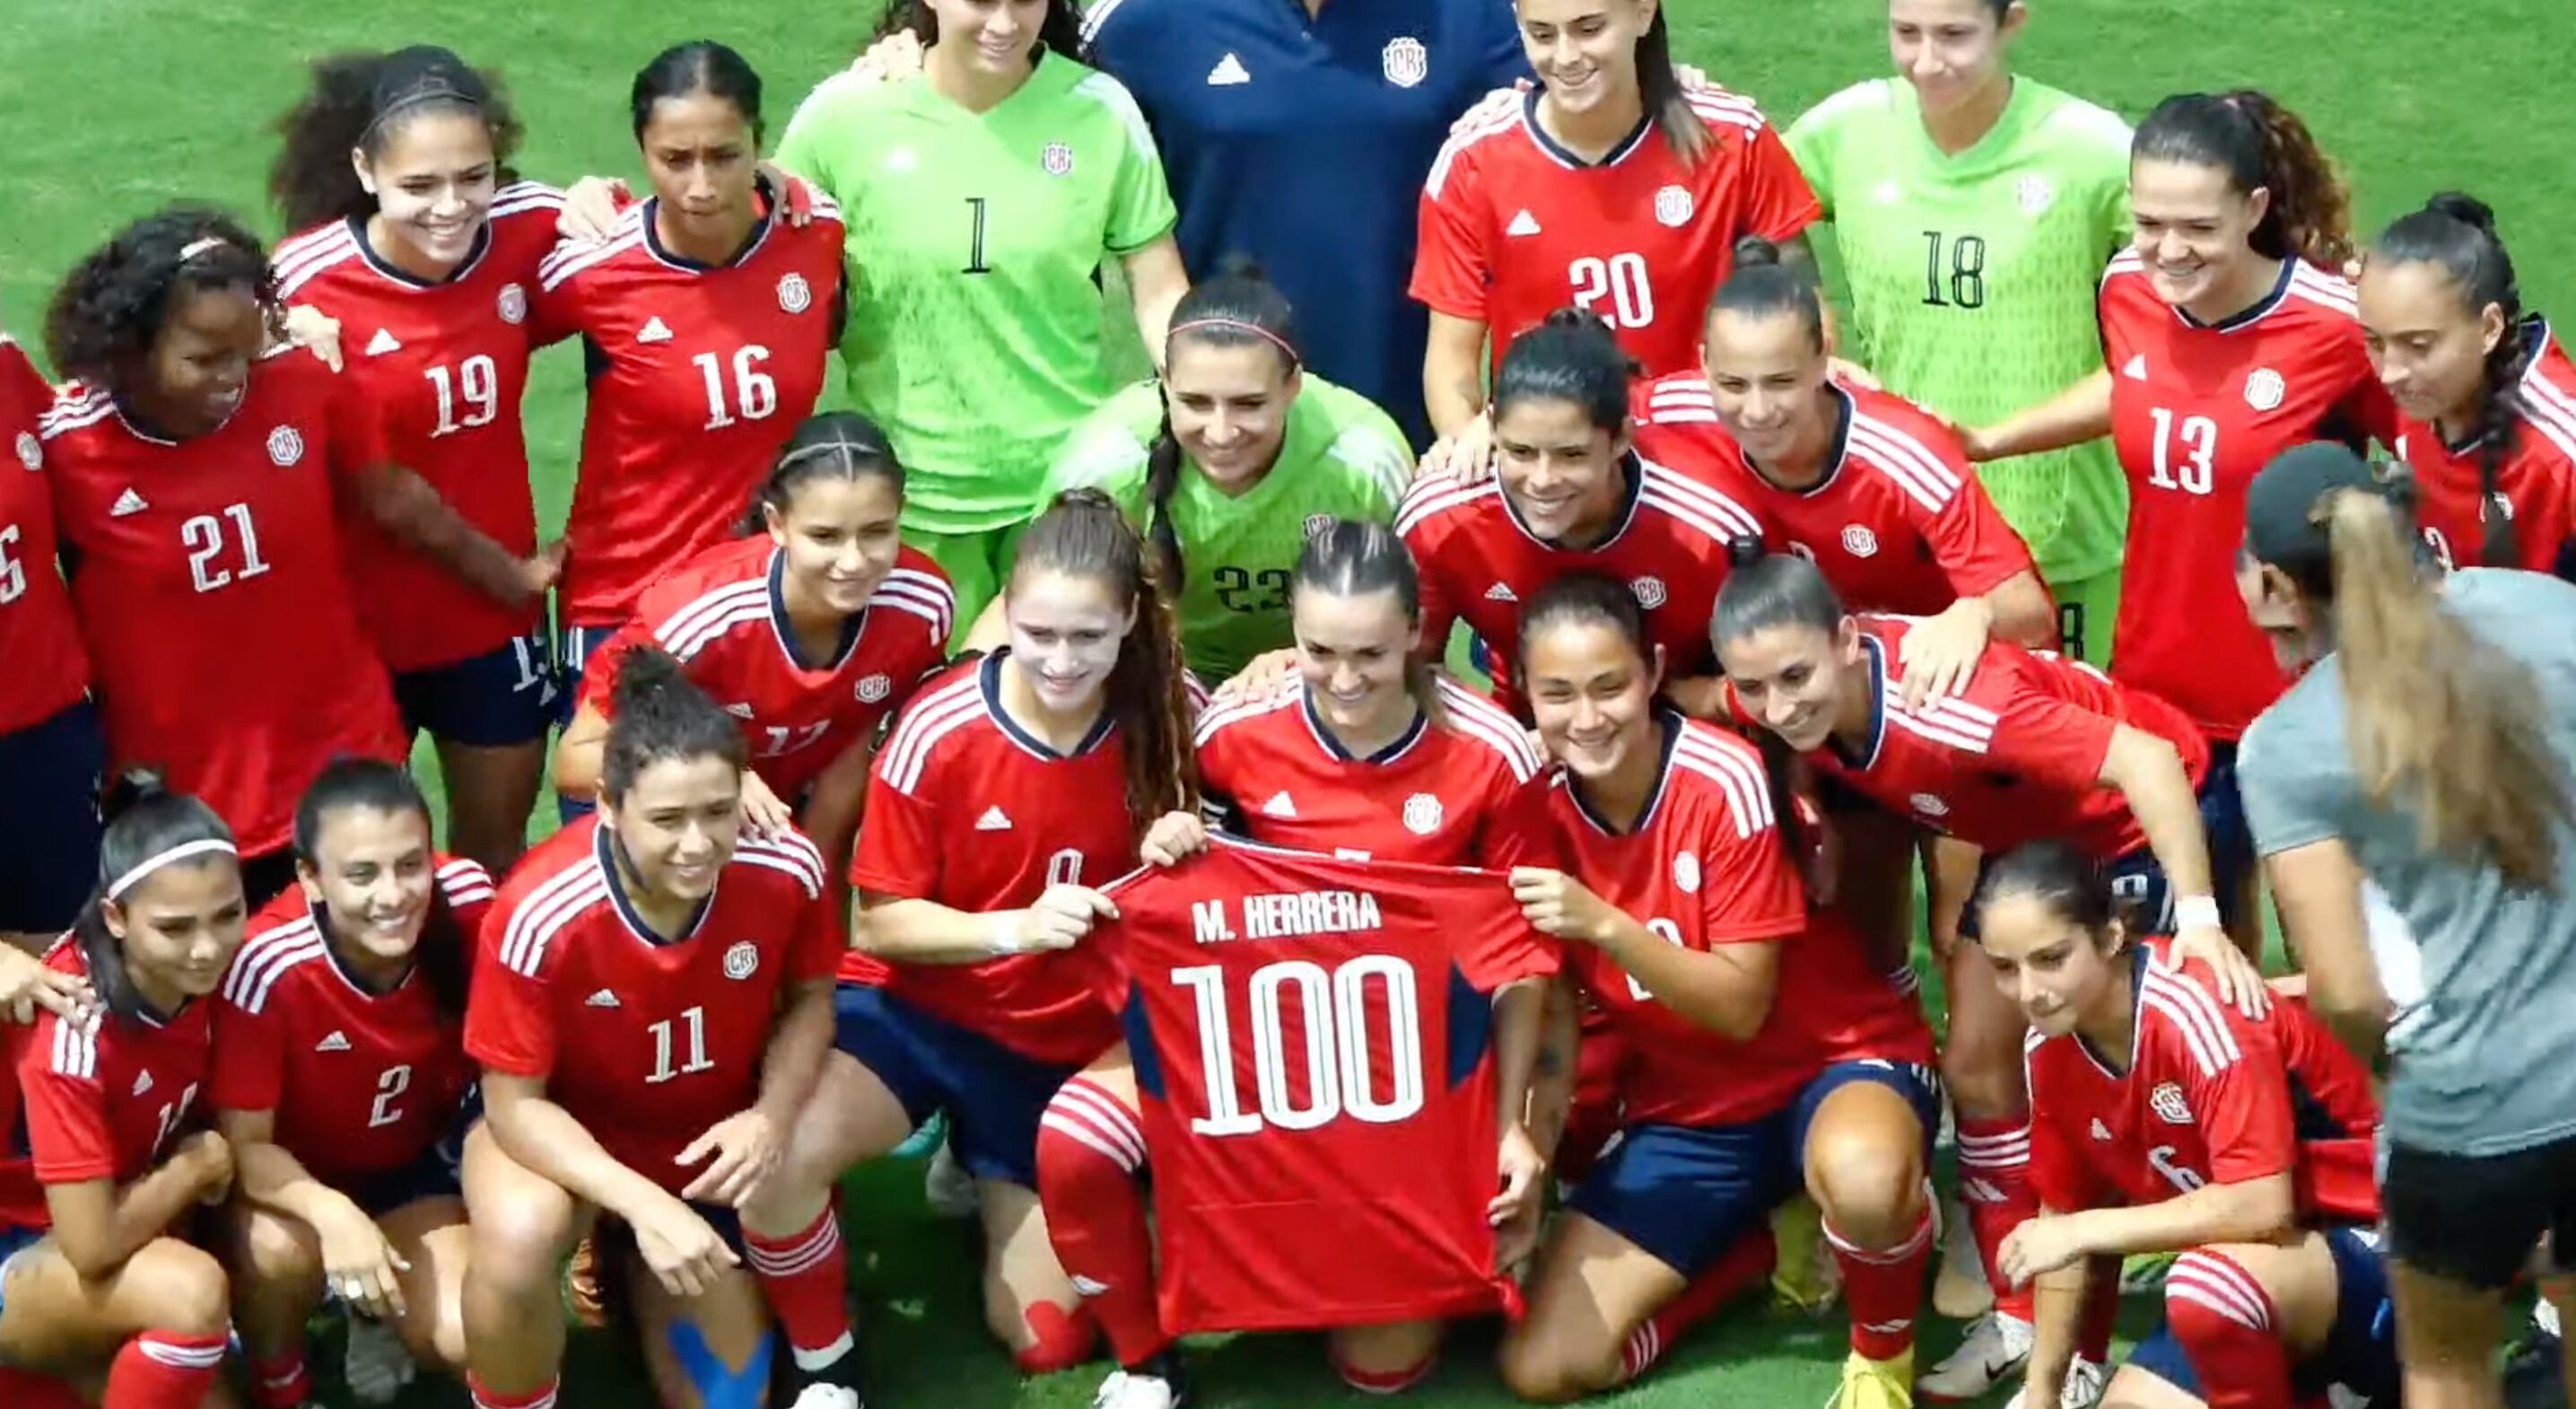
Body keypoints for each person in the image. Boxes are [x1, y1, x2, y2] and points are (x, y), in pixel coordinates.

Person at [1713, 548, 2267, 1402]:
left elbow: (2148, 760)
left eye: (1794, 678)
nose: (1778, 706)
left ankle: (2196, 1297)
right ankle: (2017, 1302)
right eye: (1754, 689)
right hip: (2033, 830)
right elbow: (1731, 708)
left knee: (2122, 1072)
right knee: (1976, 1059)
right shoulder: (1790, 698)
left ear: (1846, 640)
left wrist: (2197, 919)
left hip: (2136, 820)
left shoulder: (1953, 710)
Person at [1032, 520, 1553, 1407]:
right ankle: (1146, 1363)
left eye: (1370, 655)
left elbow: (1522, 961)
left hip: (1417, 1075)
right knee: (1075, 1140)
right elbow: (1185, 892)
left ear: (1417, 634)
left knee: (1378, 1368)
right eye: (1318, 650)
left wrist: (1516, 1126)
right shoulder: (1233, 729)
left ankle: (1390, 1222)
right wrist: (1177, 840)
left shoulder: (1491, 754)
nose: (1344, 680)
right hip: (1250, 1047)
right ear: (1292, 636)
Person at [727, 487, 1201, 1390]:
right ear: (1006, 615)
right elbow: (879, 921)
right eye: (1037, 633)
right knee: (778, 1169)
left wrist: (1188, 836)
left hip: (1054, 1046)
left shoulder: (1169, 712)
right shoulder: (941, 728)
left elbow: (1247, 807)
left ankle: (987, 1166)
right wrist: (1012, 929)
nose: (1061, 661)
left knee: (1048, 1340)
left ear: (1130, 621)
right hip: (918, 1013)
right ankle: (828, 1368)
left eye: (1088, 638)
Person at [1496, 572, 1940, 1408]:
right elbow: (1551, 1017)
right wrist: (1530, 1150)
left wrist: (1604, 924)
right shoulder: (1530, 808)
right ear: (1525, 693)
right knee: (1543, 1368)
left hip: (1836, 1062)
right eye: (1556, 694)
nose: (1585, 718)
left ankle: (1881, 1360)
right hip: (1690, 1111)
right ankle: (1762, 1248)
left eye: (1608, 687)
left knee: (1865, 1181)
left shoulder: (1723, 774)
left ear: (1653, 673)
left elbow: (1742, 1006)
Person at [1967, 92, 2388, 949]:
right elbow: (2143, 386)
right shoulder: (2128, 289)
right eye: (2148, 220)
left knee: (2335, 964)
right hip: (2160, 697)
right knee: (2201, 950)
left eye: (2196, 226)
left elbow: (2425, 445)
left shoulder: (2338, 324)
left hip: (2301, 698)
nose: (2166, 249)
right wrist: (1992, 438)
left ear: (2256, 209)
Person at [39, 207, 550, 904]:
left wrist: (510, 575)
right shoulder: (67, 449)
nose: (233, 378)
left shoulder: (305, 387)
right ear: (129, 349)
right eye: (203, 359)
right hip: (183, 797)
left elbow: (391, 497)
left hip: (342, 755)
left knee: (386, 973)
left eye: (246, 351)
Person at [2233, 442, 2576, 1409]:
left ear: (2273, 584)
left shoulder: (2291, 742)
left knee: (2445, 1367)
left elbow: (2344, 989)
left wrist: (2396, 1072)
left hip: (2462, 1116)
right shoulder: (2544, 608)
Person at [458, 646, 843, 1409]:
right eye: (667, 819)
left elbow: (811, 1000)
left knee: (731, 1400)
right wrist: (641, 1202)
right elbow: (513, 1104)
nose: (698, 844)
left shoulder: (787, 867)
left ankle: (629, 1264)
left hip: (708, 1148)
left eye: (717, 811)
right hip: (571, 1147)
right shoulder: (540, 911)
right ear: (606, 804)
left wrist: (768, 1120)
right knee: (520, 1234)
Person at [773, 0, 1190, 629]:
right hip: (907, 505)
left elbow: (1158, 290)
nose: (1003, 24)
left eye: (1023, 0)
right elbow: (764, 270)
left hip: (1066, 490)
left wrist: (1199, 401)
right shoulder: (843, 115)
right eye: (982, 1)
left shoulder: (1102, 112)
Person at [266, 46, 567, 873]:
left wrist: (780, 186)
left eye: (474, 176)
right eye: (420, 186)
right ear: (365, 169)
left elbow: (654, 233)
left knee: (493, 859)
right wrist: (506, 574)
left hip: (488, 627)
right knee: (369, 872)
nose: (452, 206)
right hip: (361, 629)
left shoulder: (529, 224)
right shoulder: (302, 285)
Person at [1975, 840, 2394, 1409]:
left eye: (2051, 959)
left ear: (2110, 937)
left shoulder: (2194, 1007)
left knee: (2205, 1288)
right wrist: (2041, 1392)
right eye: (2005, 968)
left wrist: (2084, 1230)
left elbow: (2261, 1204)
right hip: (2269, 1273)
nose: (2029, 992)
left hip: (2390, 1251)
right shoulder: (2047, 1050)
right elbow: (2062, 1216)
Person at [1786, 0, 2135, 664]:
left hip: (2056, 542)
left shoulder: (2090, 152)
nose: (1925, 61)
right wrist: (1812, 341)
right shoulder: (1847, 130)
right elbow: (1751, 205)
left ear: (2010, 24)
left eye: (1952, 36)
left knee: (2076, 751)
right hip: (1901, 529)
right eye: (1905, 33)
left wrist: (1991, 442)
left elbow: (2173, 326)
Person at [536, 41, 846, 704]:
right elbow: (458, 326)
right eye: (675, 160)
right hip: (626, 603)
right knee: (613, 801)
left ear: (758, 144)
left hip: (766, 600)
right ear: (642, 150)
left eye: (725, 156)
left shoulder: (814, 232)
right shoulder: (593, 266)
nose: (701, 186)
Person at [1413, 0, 1819, 474]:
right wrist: (1465, 441)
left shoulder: (1731, 138)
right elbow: (1451, 360)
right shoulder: (1473, 161)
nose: (1565, 57)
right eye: (1543, 35)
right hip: (1558, 470)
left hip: (1712, 464)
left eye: (1589, 29)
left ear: (1644, 13)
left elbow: (1805, 309)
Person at [557, 412, 956, 884]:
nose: (853, 562)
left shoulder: (922, 605)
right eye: (825, 536)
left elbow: (862, 740)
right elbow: (574, 762)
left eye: (876, 532)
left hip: (796, 821)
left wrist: (810, 868)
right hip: (682, 828)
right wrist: (716, 778)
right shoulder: (695, 618)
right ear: (777, 523)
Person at [210, 760, 494, 1408]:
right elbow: (244, 1146)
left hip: (412, 1170)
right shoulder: (267, 965)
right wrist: (332, 1213)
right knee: (277, 1250)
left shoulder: (469, 900)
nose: (392, 895)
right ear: (310, 877)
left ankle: (374, 1312)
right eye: (361, 874)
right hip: (296, 1182)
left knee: (463, 1334)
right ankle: (283, 1384)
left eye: (409, 864)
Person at [1035, 264, 1414, 683]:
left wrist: (1298, 665)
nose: (1220, 432)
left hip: (1327, 680)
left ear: (1293, 388)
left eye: (1248, 404)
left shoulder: (1365, 458)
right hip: (1152, 682)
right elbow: (1040, 604)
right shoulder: (1105, 464)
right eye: (1195, 403)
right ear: (1165, 381)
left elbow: (1417, 625)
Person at [0, 775, 246, 1409]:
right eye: (174, 928)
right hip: (30, 1252)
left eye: (227, 915)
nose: (206, 947)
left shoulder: (209, 977)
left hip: (111, 1237)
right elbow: (93, 1246)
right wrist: (199, 1164)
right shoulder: (75, 1027)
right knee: (190, 1297)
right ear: (115, 917)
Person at [1398, 311, 1762, 721]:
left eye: (1571, 455)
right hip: (1524, 735)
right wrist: (1503, 747)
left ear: (1622, 438)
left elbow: (1769, 678)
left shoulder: (1710, 526)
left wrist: (1667, 707)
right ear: (1492, 428)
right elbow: (1407, 674)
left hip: (1683, 733)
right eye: (1520, 452)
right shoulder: (1440, 519)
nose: (1542, 480)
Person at [2358, 193, 2576, 577]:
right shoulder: (2423, 392)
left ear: (2490, 328)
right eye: (2375, 341)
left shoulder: (2559, 455)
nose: (2389, 372)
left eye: (2419, 346)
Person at [0, 318, 101, 950]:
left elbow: (101, 453)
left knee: (68, 973)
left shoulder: (3, 368)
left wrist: (277, 337)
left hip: (44, 737)